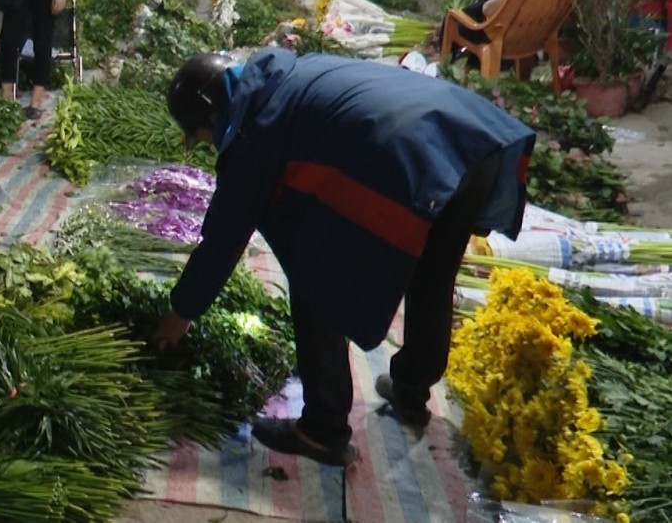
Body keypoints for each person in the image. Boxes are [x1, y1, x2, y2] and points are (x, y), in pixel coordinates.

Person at [153, 49, 535, 466]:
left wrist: (179, 315)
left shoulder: (254, 130)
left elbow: (223, 241)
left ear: (211, 117)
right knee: (434, 269)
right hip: (470, 141)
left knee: (313, 271)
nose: (208, 145)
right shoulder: (284, 77)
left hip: (419, 150)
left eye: (200, 136)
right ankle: (411, 389)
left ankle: (323, 428)